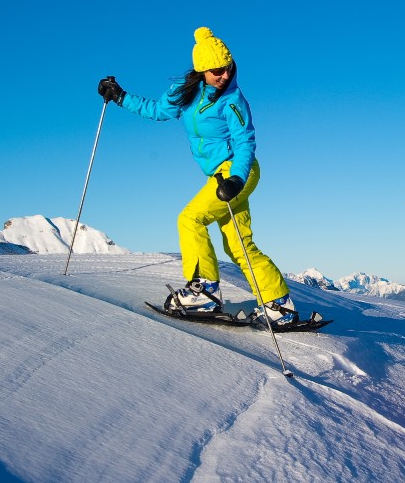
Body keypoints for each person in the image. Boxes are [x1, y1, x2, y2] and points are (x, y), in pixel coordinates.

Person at [97, 27, 299, 326]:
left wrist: (236, 179)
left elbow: (245, 143)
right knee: (239, 244)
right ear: (202, 69)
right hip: (219, 176)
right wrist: (120, 97)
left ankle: (204, 290)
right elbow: (157, 110)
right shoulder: (186, 90)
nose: (225, 76)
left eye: (228, 69)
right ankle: (278, 304)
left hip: (236, 172)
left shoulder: (232, 100)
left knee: (190, 219)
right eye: (217, 71)